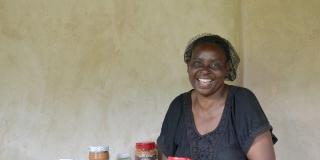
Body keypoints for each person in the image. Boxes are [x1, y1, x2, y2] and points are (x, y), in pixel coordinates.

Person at [157, 34, 277, 160]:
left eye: (215, 65)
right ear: (188, 67)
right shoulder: (178, 106)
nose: (204, 70)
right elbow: (161, 157)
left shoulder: (242, 102)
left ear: (227, 68)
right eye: (197, 63)